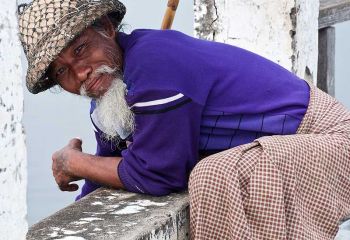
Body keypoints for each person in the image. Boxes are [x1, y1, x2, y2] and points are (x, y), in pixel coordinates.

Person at [18, 0, 350, 239]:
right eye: (62, 71)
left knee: (212, 175)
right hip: (291, 144)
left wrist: (72, 162)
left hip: (327, 140)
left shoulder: (153, 64)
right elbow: (107, 166)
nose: (79, 72)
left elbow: (158, 174)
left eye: (80, 50)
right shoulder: (112, 95)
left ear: (107, 29)